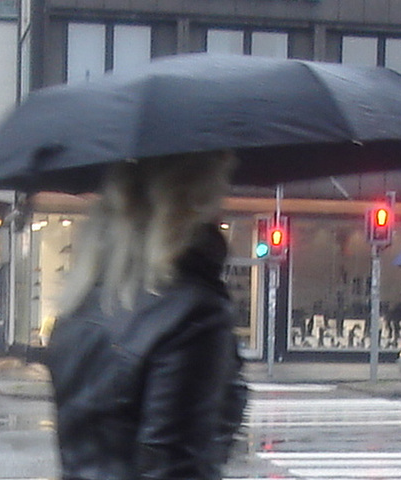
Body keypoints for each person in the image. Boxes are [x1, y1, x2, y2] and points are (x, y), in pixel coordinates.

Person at [45, 151, 247, 480]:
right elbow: (175, 469)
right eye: (216, 191)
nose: (221, 207)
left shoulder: (80, 306)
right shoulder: (192, 312)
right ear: (191, 201)